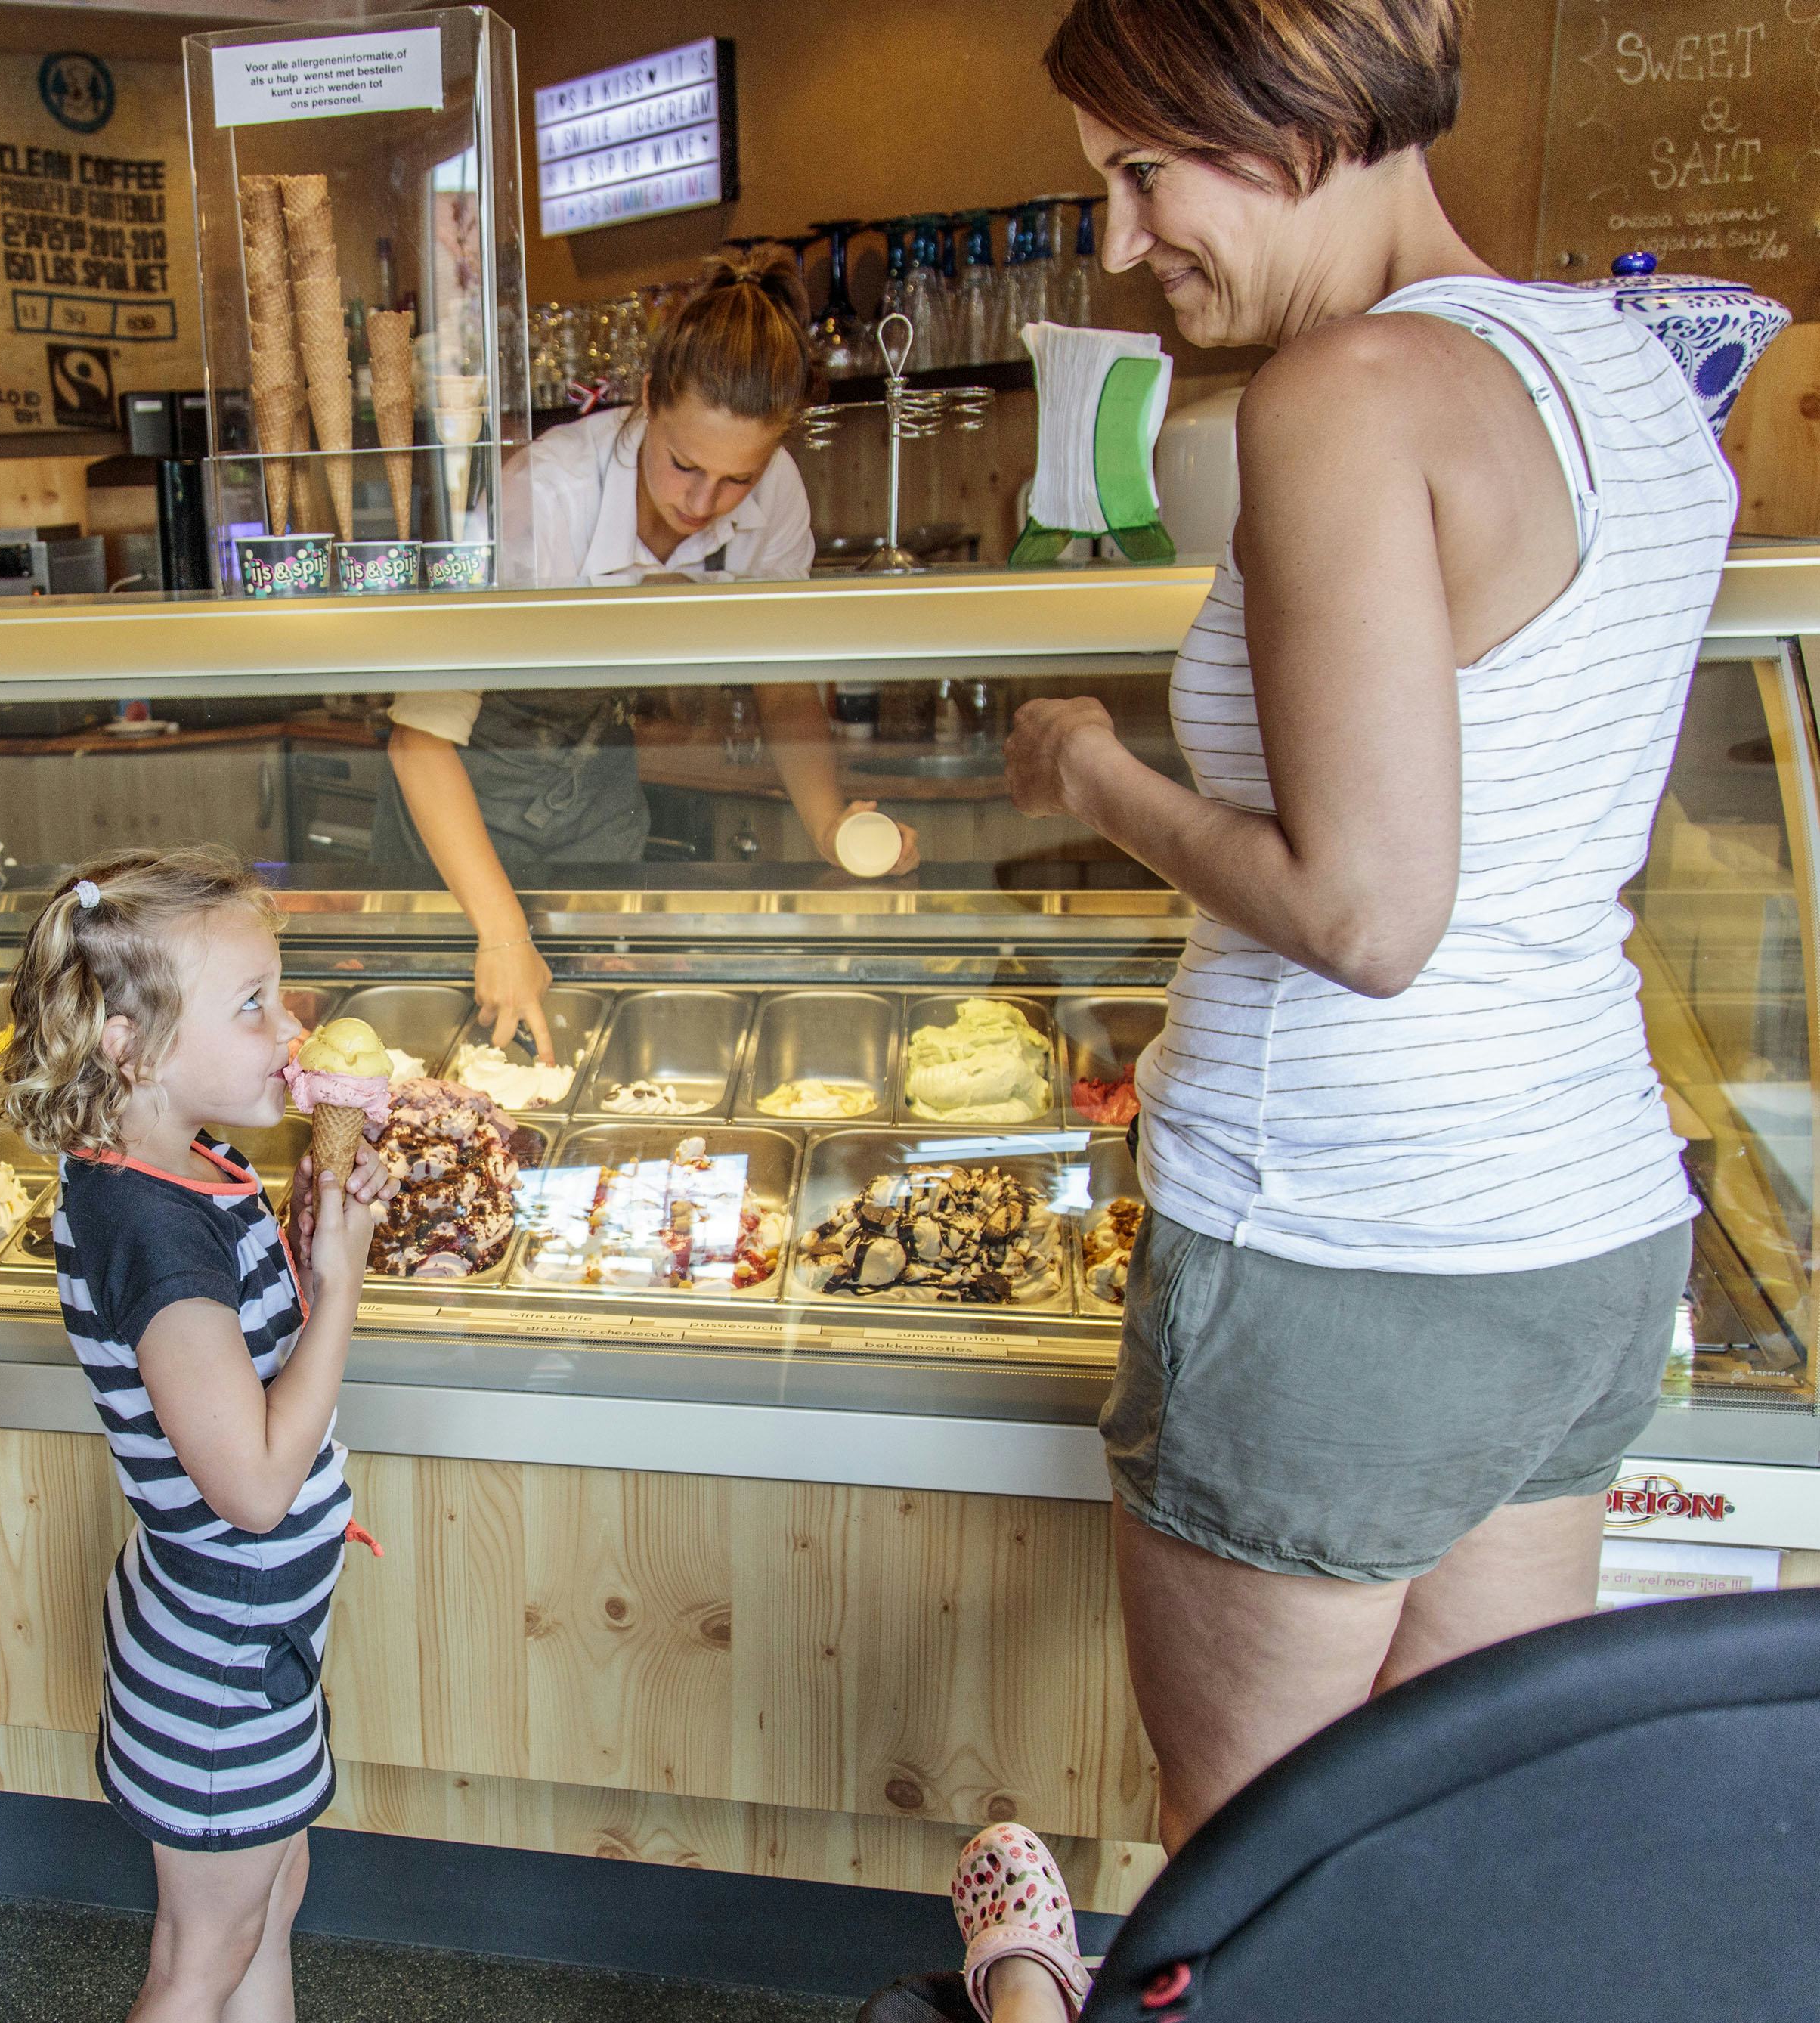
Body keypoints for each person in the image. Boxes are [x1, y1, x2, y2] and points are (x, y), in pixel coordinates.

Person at [1006, 0, 1733, 1853]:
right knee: (1450, 1847)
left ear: (1290, 116)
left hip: (1344, 1237)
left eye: (1140, 172)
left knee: (1248, 1865)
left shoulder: (1342, 397)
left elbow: (1369, 912)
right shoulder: (1627, 363)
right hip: (1577, 1226)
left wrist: (1095, 771)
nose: (1120, 239)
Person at [0, 847, 397, 2023]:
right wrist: (340, 1283)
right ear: (128, 1045)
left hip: (231, 1643)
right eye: (252, 1004)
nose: (291, 1027)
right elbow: (255, 1486)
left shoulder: (179, 1168)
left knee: (266, 1907)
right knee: (199, 1956)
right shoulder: (154, 1236)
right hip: (218, 1673)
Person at [373, 247, 919, 1049]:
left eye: (737, 478)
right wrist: (500, 930)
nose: (704, 502)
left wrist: (833, 826)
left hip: (594, 793)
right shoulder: (544, 497)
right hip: (461, 809)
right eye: (684, 464)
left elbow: (784, 687)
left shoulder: (779, 496)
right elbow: (419, 739)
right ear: (650, 399)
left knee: (586, 1041)